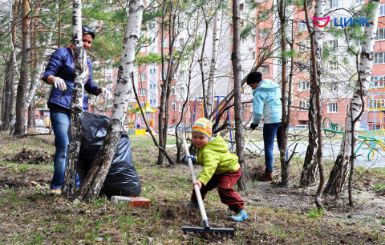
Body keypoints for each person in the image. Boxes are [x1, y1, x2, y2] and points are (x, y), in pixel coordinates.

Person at [42, 25, 110, 194]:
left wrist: (99, 90)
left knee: (76, 145)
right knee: (64, 144)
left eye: (89, 42)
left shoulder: (87, 61)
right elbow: (46, 74)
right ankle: (57, 186)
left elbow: (89, 85)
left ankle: (75, 183)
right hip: (60, 105)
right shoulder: (62, 53)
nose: (87, 44)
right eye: (84, 40)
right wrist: (54, 78)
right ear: (75, 39)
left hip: (79, 108)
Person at [186, 118, 248, 222]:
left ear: (208, 136)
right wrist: (196, 159)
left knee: (224, 189)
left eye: (201, 137)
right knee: (203, 186)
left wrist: (201, 180)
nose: (197, 140)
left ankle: (240, 211)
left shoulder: (210, 150)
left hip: (230, 171)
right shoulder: (205, 145)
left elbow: (210, 167)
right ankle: (195, 203)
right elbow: (205, 159)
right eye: (194, 137)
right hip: (219, 170)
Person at [246, 71, 285, 182]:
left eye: (251, 85)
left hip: (270, 121)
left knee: (269, 147)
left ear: (255, 82)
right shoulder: (275, 87)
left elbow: (257, 112)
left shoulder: (259, 93)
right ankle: (285, 171)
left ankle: (268, 174)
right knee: (282, 146)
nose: (252, 88)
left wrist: (255, 123)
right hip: (282, 118)